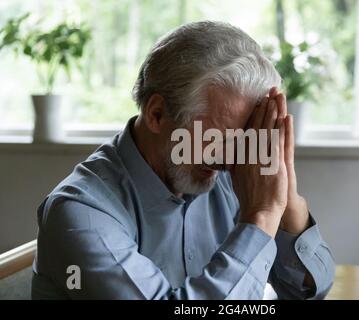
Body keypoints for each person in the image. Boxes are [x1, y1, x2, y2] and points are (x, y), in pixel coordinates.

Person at [31, 21, 335, 300]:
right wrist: (262, 216)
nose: (232, 160)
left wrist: (285, 195)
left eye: (245, 140)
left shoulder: (231, 178)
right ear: (157, 114)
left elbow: (307, 291)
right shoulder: (80, 214)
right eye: (219, 138)